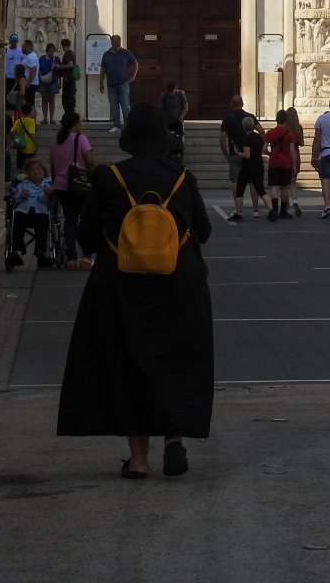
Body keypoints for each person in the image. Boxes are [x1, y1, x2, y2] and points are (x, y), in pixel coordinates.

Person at [56, 104, 212, 479]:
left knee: (127, 363)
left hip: (122, 284)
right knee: (175, 360)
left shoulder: (110, 177)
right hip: (178, 283)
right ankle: (173, 439)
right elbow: (203, 232)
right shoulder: (182, 177)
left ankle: (139, 460)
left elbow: (89, 236)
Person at [49, 112, 97, 270]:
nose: (81, 126)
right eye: (79, 123)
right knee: (85, 220)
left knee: (70, 220)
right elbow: (89, 161)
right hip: (80, 185)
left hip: (62, 186)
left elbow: (53, 166)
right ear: (75, 124)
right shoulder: (80, 138)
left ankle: (71, 258)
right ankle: (86, 257)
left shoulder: (57, 142)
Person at [7, 158, 53, 269]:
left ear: (43, 170)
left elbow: (52, 200)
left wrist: (48, 194)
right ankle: (18, 251)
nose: (36, 171)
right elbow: (15, 199)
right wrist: (21, 196)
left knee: (43, 221)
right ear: (28, 174)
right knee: (17, 219)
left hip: (41, 210)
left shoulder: (49, 183)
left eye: (38, 169)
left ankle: (40, 251)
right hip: (24, 210)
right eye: (32, 170)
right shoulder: (23, 184)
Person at [219, 95, 259, 222]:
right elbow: (262, 132)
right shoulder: (250, 117)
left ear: (232, 104)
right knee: (253, 181)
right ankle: (256, 209)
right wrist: (260, 147)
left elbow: (222, 139)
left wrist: (226, 153)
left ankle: (238, 210)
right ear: (242, 103)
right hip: (250, 154)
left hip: (235, 153)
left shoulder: (227, 119)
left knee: (235, 181)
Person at [98, 34, 138, 133]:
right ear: (111, 42)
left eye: (119, 42)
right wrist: (101, 82)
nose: (117, 44)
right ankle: (116, 125)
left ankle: (129, 126)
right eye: (115, 42)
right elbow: (103, 68)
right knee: (113, 105)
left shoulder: (125, 53)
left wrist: (133, 76)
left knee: (125, 105)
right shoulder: (106, 54)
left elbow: (135, 63)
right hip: (111, 84)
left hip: (123, 83)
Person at [263, 111, 296, 221]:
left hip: (274, 163)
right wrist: (294, 165)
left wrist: (269, 154)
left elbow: (264, 148)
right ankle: (283, 211)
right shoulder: (290, 134)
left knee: (274, 187)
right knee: (285, 187)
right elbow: (292, 151)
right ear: (286, 120)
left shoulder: (270, 133)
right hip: (286, 163)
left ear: (276, 119)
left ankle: (274, 210)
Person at [284, 107, 305, 216]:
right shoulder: (299, 128)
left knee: (285, 183)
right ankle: (295, 201)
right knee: (293, 182)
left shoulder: (285, 129)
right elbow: (302, 143)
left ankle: (286, 206)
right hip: (296, 154)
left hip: (286, 154)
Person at [10, 102, 38, 176]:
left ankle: (20, 179)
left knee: (20, 166)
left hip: (21, 146)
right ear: (30, 111)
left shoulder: (19, 121)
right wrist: (36, 143)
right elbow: (31, 134)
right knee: (30, 165)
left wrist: (16, 140)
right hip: (29, 147)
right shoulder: (31, 121)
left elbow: (12, 131)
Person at [38, 43, 59, 125]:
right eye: (50, 51)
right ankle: (45, 119)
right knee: (44, 100)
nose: (51, 53)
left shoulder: (56, 59)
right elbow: (38, 69)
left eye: (53, 51)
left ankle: (52, 119)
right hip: (43, 82)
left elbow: (59, 72)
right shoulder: (42, 59)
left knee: (52, 101)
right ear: (47, 51)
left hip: (53, 82)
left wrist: (59, 83)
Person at [57, 38, 79, 116]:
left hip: (68, 80)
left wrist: (60, 66)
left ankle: (69, 117)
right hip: (70, 80)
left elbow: (70, 64)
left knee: (67, 100)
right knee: (70, 100)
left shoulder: (68, 54)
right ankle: (69, 116)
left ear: (63, 46)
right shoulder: (72, 53)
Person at [20, 39, 41, 106]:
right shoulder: (31, 56)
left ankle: (31, 116)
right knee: (29, 102)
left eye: (22, 46)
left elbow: (33, 69)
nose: (22, 48)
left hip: (31, 84)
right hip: (31, 83)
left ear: (27, 46)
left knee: (30, 104)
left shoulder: (30, 57)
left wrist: (28, 83)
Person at [3, 33, 23, 98]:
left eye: (15, 41)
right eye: (13, 41)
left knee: (17, 95)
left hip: (17, 77)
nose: (14, 43)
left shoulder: (20, 51)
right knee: (8, 94)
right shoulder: (6, 51)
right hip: (8, 76)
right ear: (10, 41)